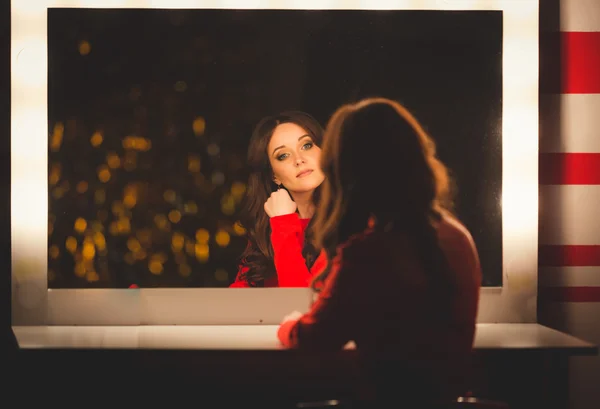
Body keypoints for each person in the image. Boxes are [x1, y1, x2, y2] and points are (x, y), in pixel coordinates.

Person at [277, 97, 482, 405]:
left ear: (345, 173)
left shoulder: (370, 252)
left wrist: (288, 325)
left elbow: (314, 339)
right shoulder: (457, 236)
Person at [230, 111, 328, 288]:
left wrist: (283, 223)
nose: (299, 160)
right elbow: (235, 305)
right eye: (283, 155)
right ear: (274, 175)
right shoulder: (268, 229)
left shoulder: (348, 222)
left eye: (306, 145)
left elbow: (301, 305)